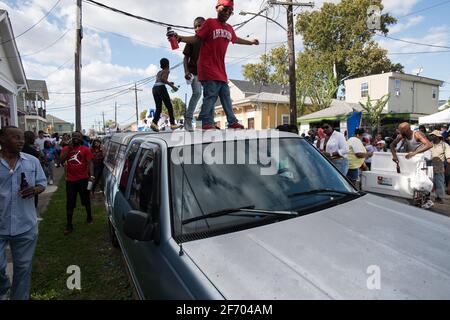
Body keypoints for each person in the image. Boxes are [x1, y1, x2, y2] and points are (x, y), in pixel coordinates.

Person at [175, 0, 259, 130]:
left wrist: (251, 42)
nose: (227, 12)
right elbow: (196, 38)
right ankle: (204, 123)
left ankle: (232, 122)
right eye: (224, 9)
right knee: (211, 95)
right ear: (217, 8)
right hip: (206, 68)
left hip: (220, 69)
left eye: (230, 11)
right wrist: (180, 38)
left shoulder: (229, 28)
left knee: (226, 96)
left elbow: (236, 39)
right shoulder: (209, 23)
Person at [0, 126, 46, 300]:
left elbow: (42, 183)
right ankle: (3, 287)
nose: (21, 141)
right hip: (1, 223)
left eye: (22, 137)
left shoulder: (32, 161)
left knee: (23, 268)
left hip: (25, 225)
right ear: (2, 140)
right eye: (15, 137)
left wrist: (34, 190)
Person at [60, 132, 95, 235]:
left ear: (81, 138)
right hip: (70, 180)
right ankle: (69, 225)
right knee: (70, 202)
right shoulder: (66, 149)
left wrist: (92, 176)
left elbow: (90, 163)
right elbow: (60, 161)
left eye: (78, 136)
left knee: (86, 200)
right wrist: (69, 149)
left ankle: (89, 217)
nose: (76, 138)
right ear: (72, 137)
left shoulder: (85, 149)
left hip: (83, 179)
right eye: (74, 136)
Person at [183, 17, 206, 132]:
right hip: (194, 72)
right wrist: (186, 71)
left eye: (200, 25)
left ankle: (202, 121)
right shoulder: (192, 40)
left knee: (208, 97)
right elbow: (185, 58)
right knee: (197, 93)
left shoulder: (209, 41)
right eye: (195, 26)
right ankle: (187, 120)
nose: (197, 28)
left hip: (207, 73)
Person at [150, 58, 181, 132]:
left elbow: (160, 80)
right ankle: (172, 124)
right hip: (161, 88)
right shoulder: (167, 70)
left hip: (154, 88)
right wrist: (172, 86)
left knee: (158, 108)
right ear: (168, 64)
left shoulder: (159, 72)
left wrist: (169, 82)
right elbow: (163, 79)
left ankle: (154, 123)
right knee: (169, 106)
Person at [429, 130, 450, 204]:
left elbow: (448, 158)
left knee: (439, 181)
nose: (431, 136)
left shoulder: (445, 145)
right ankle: (427, 196)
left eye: (433, 135)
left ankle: (439, 197)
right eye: (431, 135)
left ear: (438, 137)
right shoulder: (429, 144)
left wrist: (448, 168)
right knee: (428, 180)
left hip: (439, 165)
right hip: (429, 164)